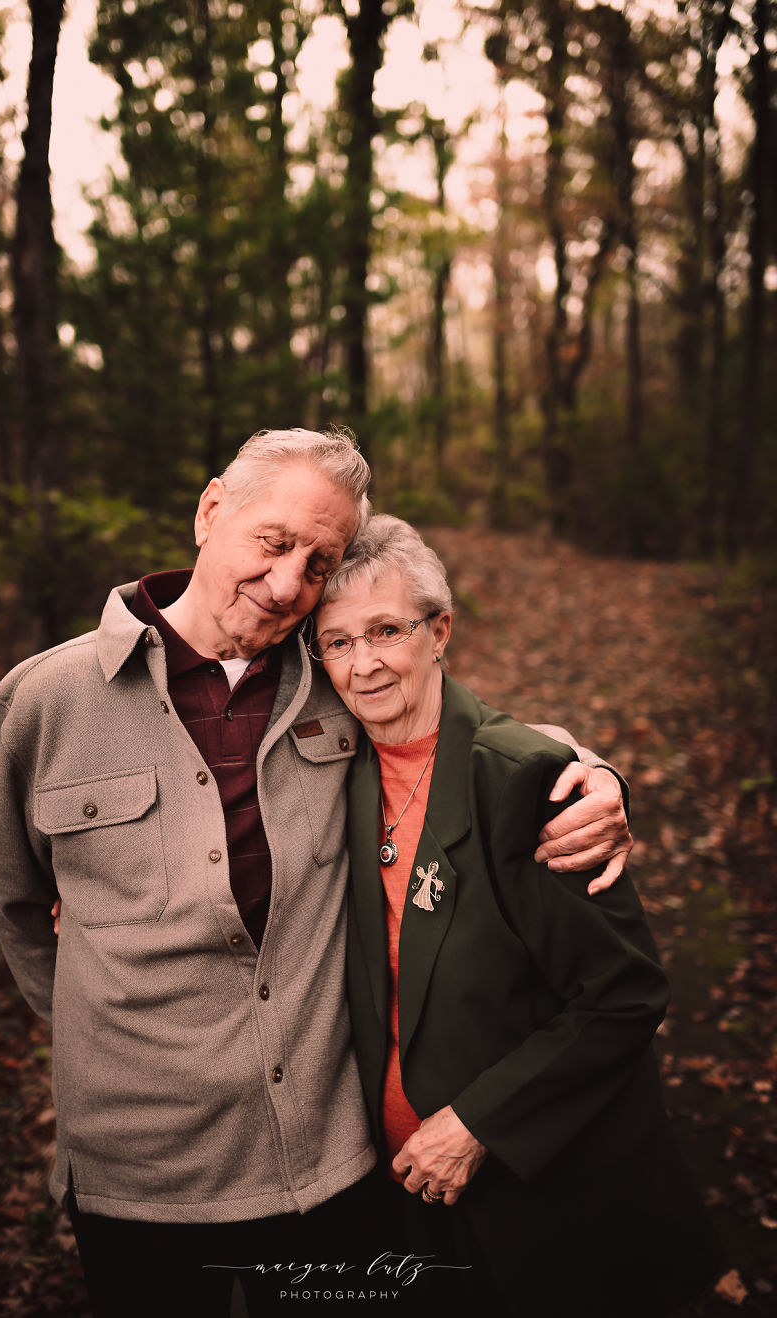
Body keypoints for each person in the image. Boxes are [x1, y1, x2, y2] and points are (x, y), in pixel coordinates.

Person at [0, 429, 633, 1317]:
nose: (289, 584)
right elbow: (11, 897)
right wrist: (104, 1023)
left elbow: (457, 728)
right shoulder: (46, 701)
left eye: (318, 563)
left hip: (328, 1161)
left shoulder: (332, 670)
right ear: (211, 511)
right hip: (139, 1172)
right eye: (274, 543)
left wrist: (588, 769)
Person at [311, 514, 723, 1318]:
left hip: (545, 1196)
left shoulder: (526, 783)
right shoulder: (334, 774)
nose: (363, 665)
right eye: (337, 642)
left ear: (441, 631)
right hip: (401, 1196)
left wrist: (477, 1125)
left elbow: (624, 994)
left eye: (387, 630)